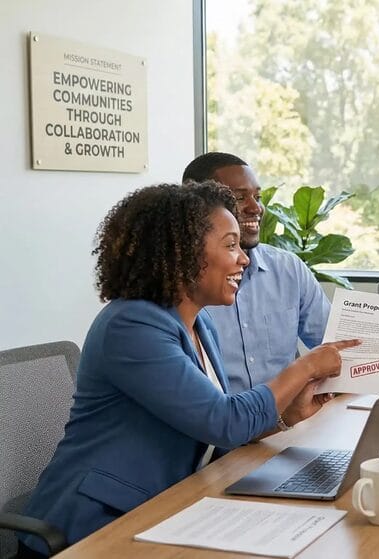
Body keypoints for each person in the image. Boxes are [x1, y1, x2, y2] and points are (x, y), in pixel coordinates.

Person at [18, 183, 357, 557]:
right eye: (230, 245)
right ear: (182, 253)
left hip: (166, 508)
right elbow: (224, 420)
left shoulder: (198, 323)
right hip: (93, 526)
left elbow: (218, 430)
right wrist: (306, 365)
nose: (243, 258)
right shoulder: (130, 325)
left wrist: (285, 417)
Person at [182, 152, 331, 393]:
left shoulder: (288, 268)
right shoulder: (183, 287)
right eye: (239, 198)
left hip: (290, 420)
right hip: (228, 423)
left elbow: (333, 344)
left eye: (258, 197)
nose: (256, 208)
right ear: (198, 208)